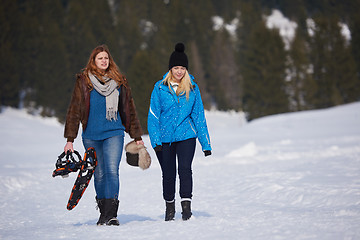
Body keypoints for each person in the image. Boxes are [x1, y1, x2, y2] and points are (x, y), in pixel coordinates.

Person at [63, 44, 144, 226]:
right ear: (93, 61)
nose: (104, 61)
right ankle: (103, 213)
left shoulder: (119, 81)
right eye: (100, 58)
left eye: (106, 58)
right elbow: (74, 110)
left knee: (112, 171)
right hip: (91, 134)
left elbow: (129, 109)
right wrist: (70, 139)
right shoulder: (84, 81)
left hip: (114, 133)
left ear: (110, 60)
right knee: (98, 174)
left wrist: (136, 135)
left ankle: (112, 214)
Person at [147, 43, 212, 221]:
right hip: (165, 138)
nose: (179, 71)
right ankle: (169, 208)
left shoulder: (193, 88)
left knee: (185, 169)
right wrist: (156, 141)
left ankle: (186, 208)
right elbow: (153, 117)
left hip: (186, 136)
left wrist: (205, 143)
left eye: (182, 68)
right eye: (176, 68)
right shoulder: (159, 88)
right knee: (168, 174)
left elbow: (199, 117)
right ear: (170, 69)